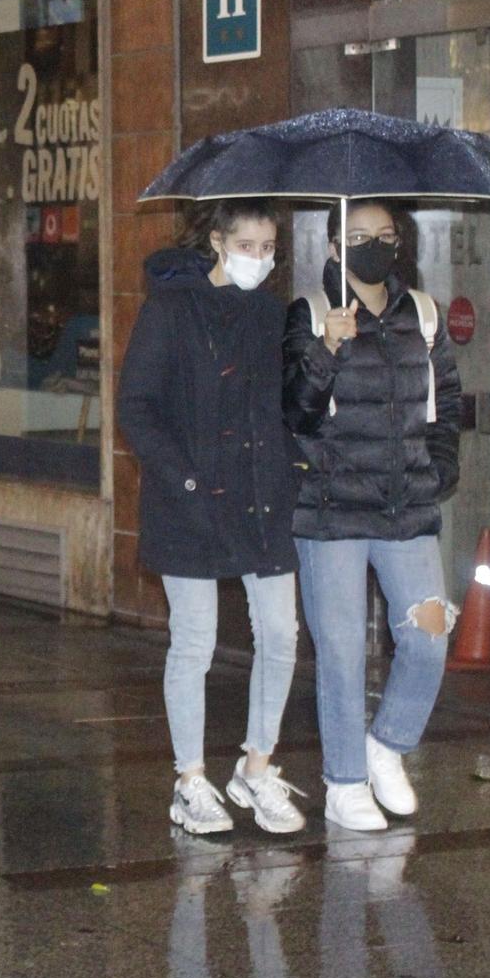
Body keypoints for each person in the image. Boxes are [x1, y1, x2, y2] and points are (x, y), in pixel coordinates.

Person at [117, 200, 308, 837]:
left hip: (260, 498)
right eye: (247, 245)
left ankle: (256, 766)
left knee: (280, 634)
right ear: (218, 242)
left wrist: (326, 352)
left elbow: (296, 406)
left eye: (269, 247)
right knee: (194, 643)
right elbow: (138, 406)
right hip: (191, 503)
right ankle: (191, 781)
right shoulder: (172, 309)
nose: (260, 259)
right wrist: (186, 476)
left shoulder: (274, 317)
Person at [284, 199, 462, 833]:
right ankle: (344, 781)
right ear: (334, 246)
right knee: (339, 650)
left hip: (405, 505)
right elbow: (297, 413)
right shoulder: (309, 314)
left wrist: (440, 468)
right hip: (331, 510)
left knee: (430, 633)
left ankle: (387, 745)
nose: (372, 247)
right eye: (357, 236)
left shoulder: (423, 313)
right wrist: (327, 350)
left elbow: (447, 400)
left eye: (384, 236)